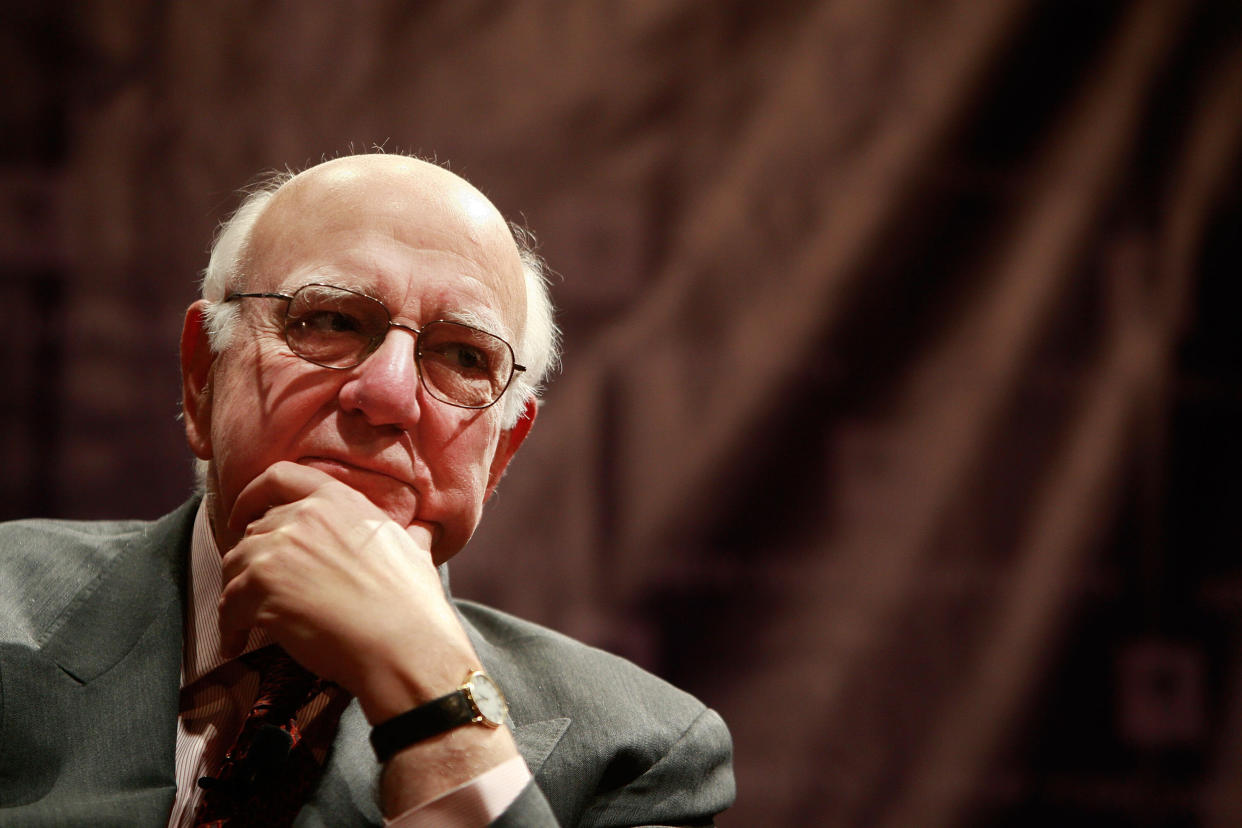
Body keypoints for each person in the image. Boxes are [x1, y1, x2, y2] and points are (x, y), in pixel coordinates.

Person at [0, 154, 734, 827]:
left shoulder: (643, 756)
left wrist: (435, 699)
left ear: (500, 453)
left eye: (460, 355)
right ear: (203, 378)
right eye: (329, 320)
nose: (386, 393)